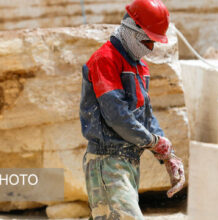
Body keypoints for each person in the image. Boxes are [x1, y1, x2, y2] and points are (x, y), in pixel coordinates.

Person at [80, 0, 185, 219]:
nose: (150, 47)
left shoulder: (139, 65)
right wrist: (154, 142)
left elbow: (145, 116)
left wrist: (168, 154)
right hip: (107, 160)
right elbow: (117, 116)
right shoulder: (104, 60)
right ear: (132, 28)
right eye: (147, 40)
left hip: (128, 161)